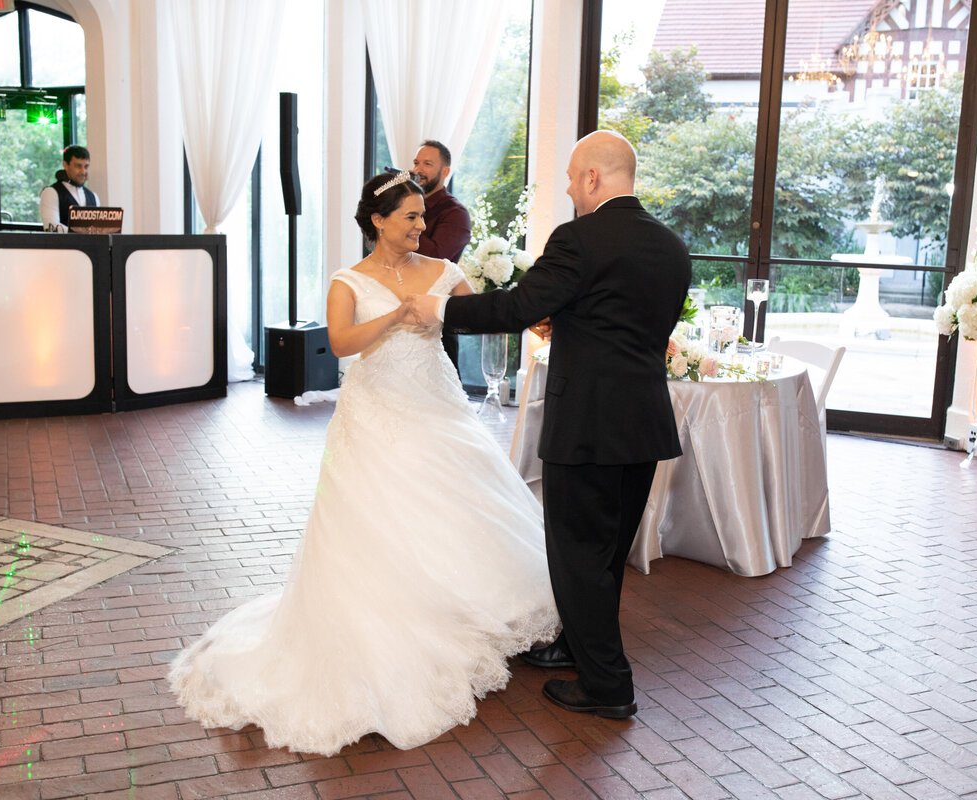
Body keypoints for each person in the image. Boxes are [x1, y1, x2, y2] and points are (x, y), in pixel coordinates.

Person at [168, 171, 559, 756]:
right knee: (379, 518)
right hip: (375, 414)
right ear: (378, 220)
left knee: (459, 507)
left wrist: (532, 317)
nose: (422, 227)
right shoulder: (348, 279)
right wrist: (397, 317)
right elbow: (344, 342)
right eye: (410, 217)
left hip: (437, 406)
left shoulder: (444, 273)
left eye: (423, 217)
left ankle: (463, 606)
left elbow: (479, 314)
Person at [409, 130, 690, 719]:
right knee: (606, 553)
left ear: (592, 178)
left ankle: (607, 686)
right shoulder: (670, 246)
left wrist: (439, 307)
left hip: (587, 422)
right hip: (641, 423)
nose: (567, 187)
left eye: (570, 176)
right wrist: (573, 324)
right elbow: (635, 328)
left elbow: (515, 308)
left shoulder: (579, 238)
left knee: (576, 554)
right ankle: (576, 646)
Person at [411, 140, 472, 370]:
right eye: (416, 163)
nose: (418, 169)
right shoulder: (399, 207)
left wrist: (410, 217)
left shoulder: (455, 213)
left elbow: (434, 258)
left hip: (436, 319)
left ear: (445, 172)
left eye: (427, 164)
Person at [39, 145, 99, 232]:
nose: (83, 172)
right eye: (78, 166)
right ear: (65, 165)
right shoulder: (51, 193)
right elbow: (51, 227)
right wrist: (83, 233)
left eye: (86, 166)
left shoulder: (93, 197)